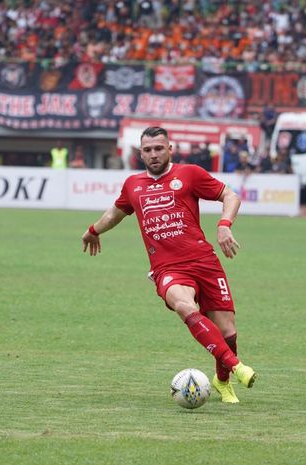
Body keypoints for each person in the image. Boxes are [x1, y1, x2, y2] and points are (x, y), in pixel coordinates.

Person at [81, 126, 257, 404]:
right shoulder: (132, 185)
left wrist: (224, 225)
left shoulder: (190, 174)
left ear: (170, 149)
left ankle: (222, 381)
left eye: (159, 148)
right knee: (184, 306)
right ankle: (236, 366)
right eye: (148, 150)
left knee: (228, 332)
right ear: (141, 153)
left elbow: (230, 196)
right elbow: (116, 213)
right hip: (168, 269)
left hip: (204, 262)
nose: (153, 154)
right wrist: (94, 230)